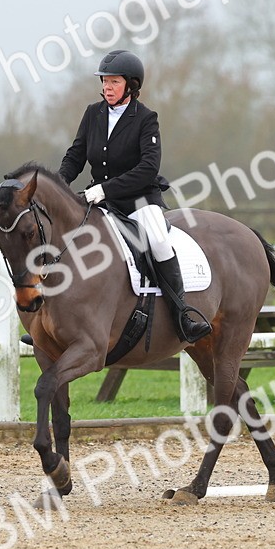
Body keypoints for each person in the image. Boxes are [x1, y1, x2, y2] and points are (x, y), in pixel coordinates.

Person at [58, 49, 212, 343]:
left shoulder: (145, 119)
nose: (107, 88)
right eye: (104, 82)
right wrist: (58, 185)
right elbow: (75, 156)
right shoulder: (93, 113)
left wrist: (105, 189)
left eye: (114, 82)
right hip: (99, 200)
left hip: (139, 201)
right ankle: (56, 321)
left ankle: (183, 314)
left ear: (131, 85)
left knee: (158, 240)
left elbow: (147, 168)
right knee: (65, 239)